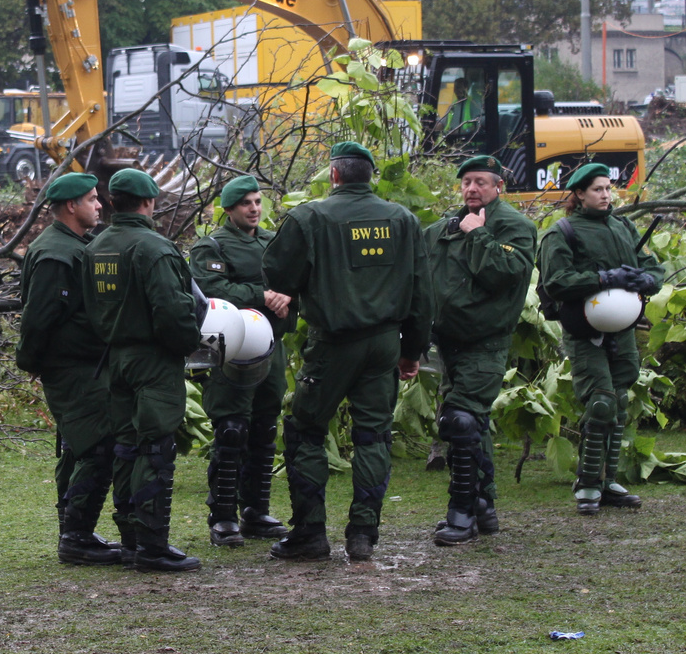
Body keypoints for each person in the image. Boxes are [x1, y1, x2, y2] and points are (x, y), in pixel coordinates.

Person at [262, 142, 432, 562]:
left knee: (305, 429)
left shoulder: (310, 217)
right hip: (384, 344)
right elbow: (422, 292)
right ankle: (363, 535)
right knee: (373, 434)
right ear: (369, 176)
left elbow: (277, 276)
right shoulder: (403, 220)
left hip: (333, 343)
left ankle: (310, 532)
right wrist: (412, 350)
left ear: (334, 175)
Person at [82, 167, 202, 572]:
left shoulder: (96, 247)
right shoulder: (155, 248)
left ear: (112, 202)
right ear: (149, 202)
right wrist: (188, 345)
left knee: (126, 446)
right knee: (155, 446)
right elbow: (174, 311)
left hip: (115, 359)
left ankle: (132, 539)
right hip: (153, 360)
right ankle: (152, 544)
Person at [537, 162, 664, 515]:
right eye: (598, 189)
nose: (606, 195)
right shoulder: (561, 232)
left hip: (623, 330)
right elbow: (557, 280)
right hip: (584, 331)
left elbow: (653, 266)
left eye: (609, 188)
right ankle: (588, 483)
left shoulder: (623, 226)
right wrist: (603, 278)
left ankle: (608, 481)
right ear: (579, 194)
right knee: (601, 401)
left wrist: (648, 281)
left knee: (620, 398)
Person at [423, 155, 538, 545]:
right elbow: (423, 280)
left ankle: (462, 514)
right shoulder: (442, 229)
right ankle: (484, 507)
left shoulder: (515, 227)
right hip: (447, 343)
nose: (472, 189)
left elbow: (504, 274)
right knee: (467, 424)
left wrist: (478, 234)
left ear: (498, 187)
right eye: (467, 182)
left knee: (461, 420)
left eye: (481, 182)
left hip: (485, 342)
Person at [16, 171, 123, 566]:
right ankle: (77, 536)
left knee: (79, 446)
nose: (100, 205)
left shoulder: (72, 244)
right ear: (71, 206)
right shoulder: (57, 254)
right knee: (97, 446)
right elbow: (38, 317)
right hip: (72, 368)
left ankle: (74, 530)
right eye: (93, 199)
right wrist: (31, 360)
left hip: (82, 364)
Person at [188, 174, 294, 547]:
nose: (254, 208)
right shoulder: (212, 246)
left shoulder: (273, 241)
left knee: (265, 428)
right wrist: (261, 295)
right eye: (246, 203)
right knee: (232, 430)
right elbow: (210, 290)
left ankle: (255, 510)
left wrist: (285, 298)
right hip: (231, 349)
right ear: (229, 209)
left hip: (271, 346)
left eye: (257, 201)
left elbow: (294, 280)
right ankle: (222, 517)